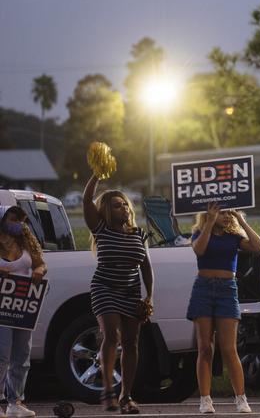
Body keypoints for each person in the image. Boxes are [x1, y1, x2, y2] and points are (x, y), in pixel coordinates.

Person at [83, 175, 154, 414]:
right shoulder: (100, 228)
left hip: (131, 291)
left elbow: (145, 266)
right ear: (107, 210)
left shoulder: (138, 234)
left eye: (125, 204)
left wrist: (149, 296)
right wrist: (96, 176)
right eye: (116, 205)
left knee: (131, 342)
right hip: (104, 287)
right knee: (111, 335)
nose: (123, 207)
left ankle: (126, 395)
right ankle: (108, 391)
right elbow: (86, 200)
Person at [188, 203, 260, 414]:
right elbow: (199, 250)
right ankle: (205, 399)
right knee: (205, 347)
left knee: (229, 348)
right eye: (220, 211)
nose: (224, 215)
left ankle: (241, 398)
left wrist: (241, 220)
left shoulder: (234, 237)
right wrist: (210, 221)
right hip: (203, 288)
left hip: (227, 289)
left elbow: (259, 248)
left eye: (226, 212)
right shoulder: (199, 233)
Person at [0, 206, 47, 418]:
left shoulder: (25, 240)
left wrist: (39, 270)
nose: (18, 222)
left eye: (20, 219)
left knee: (22, 355)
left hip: (23, 305)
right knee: (2, 355)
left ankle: (15, 402)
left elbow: (40, 263)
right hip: (1, 307)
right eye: (13, 218)